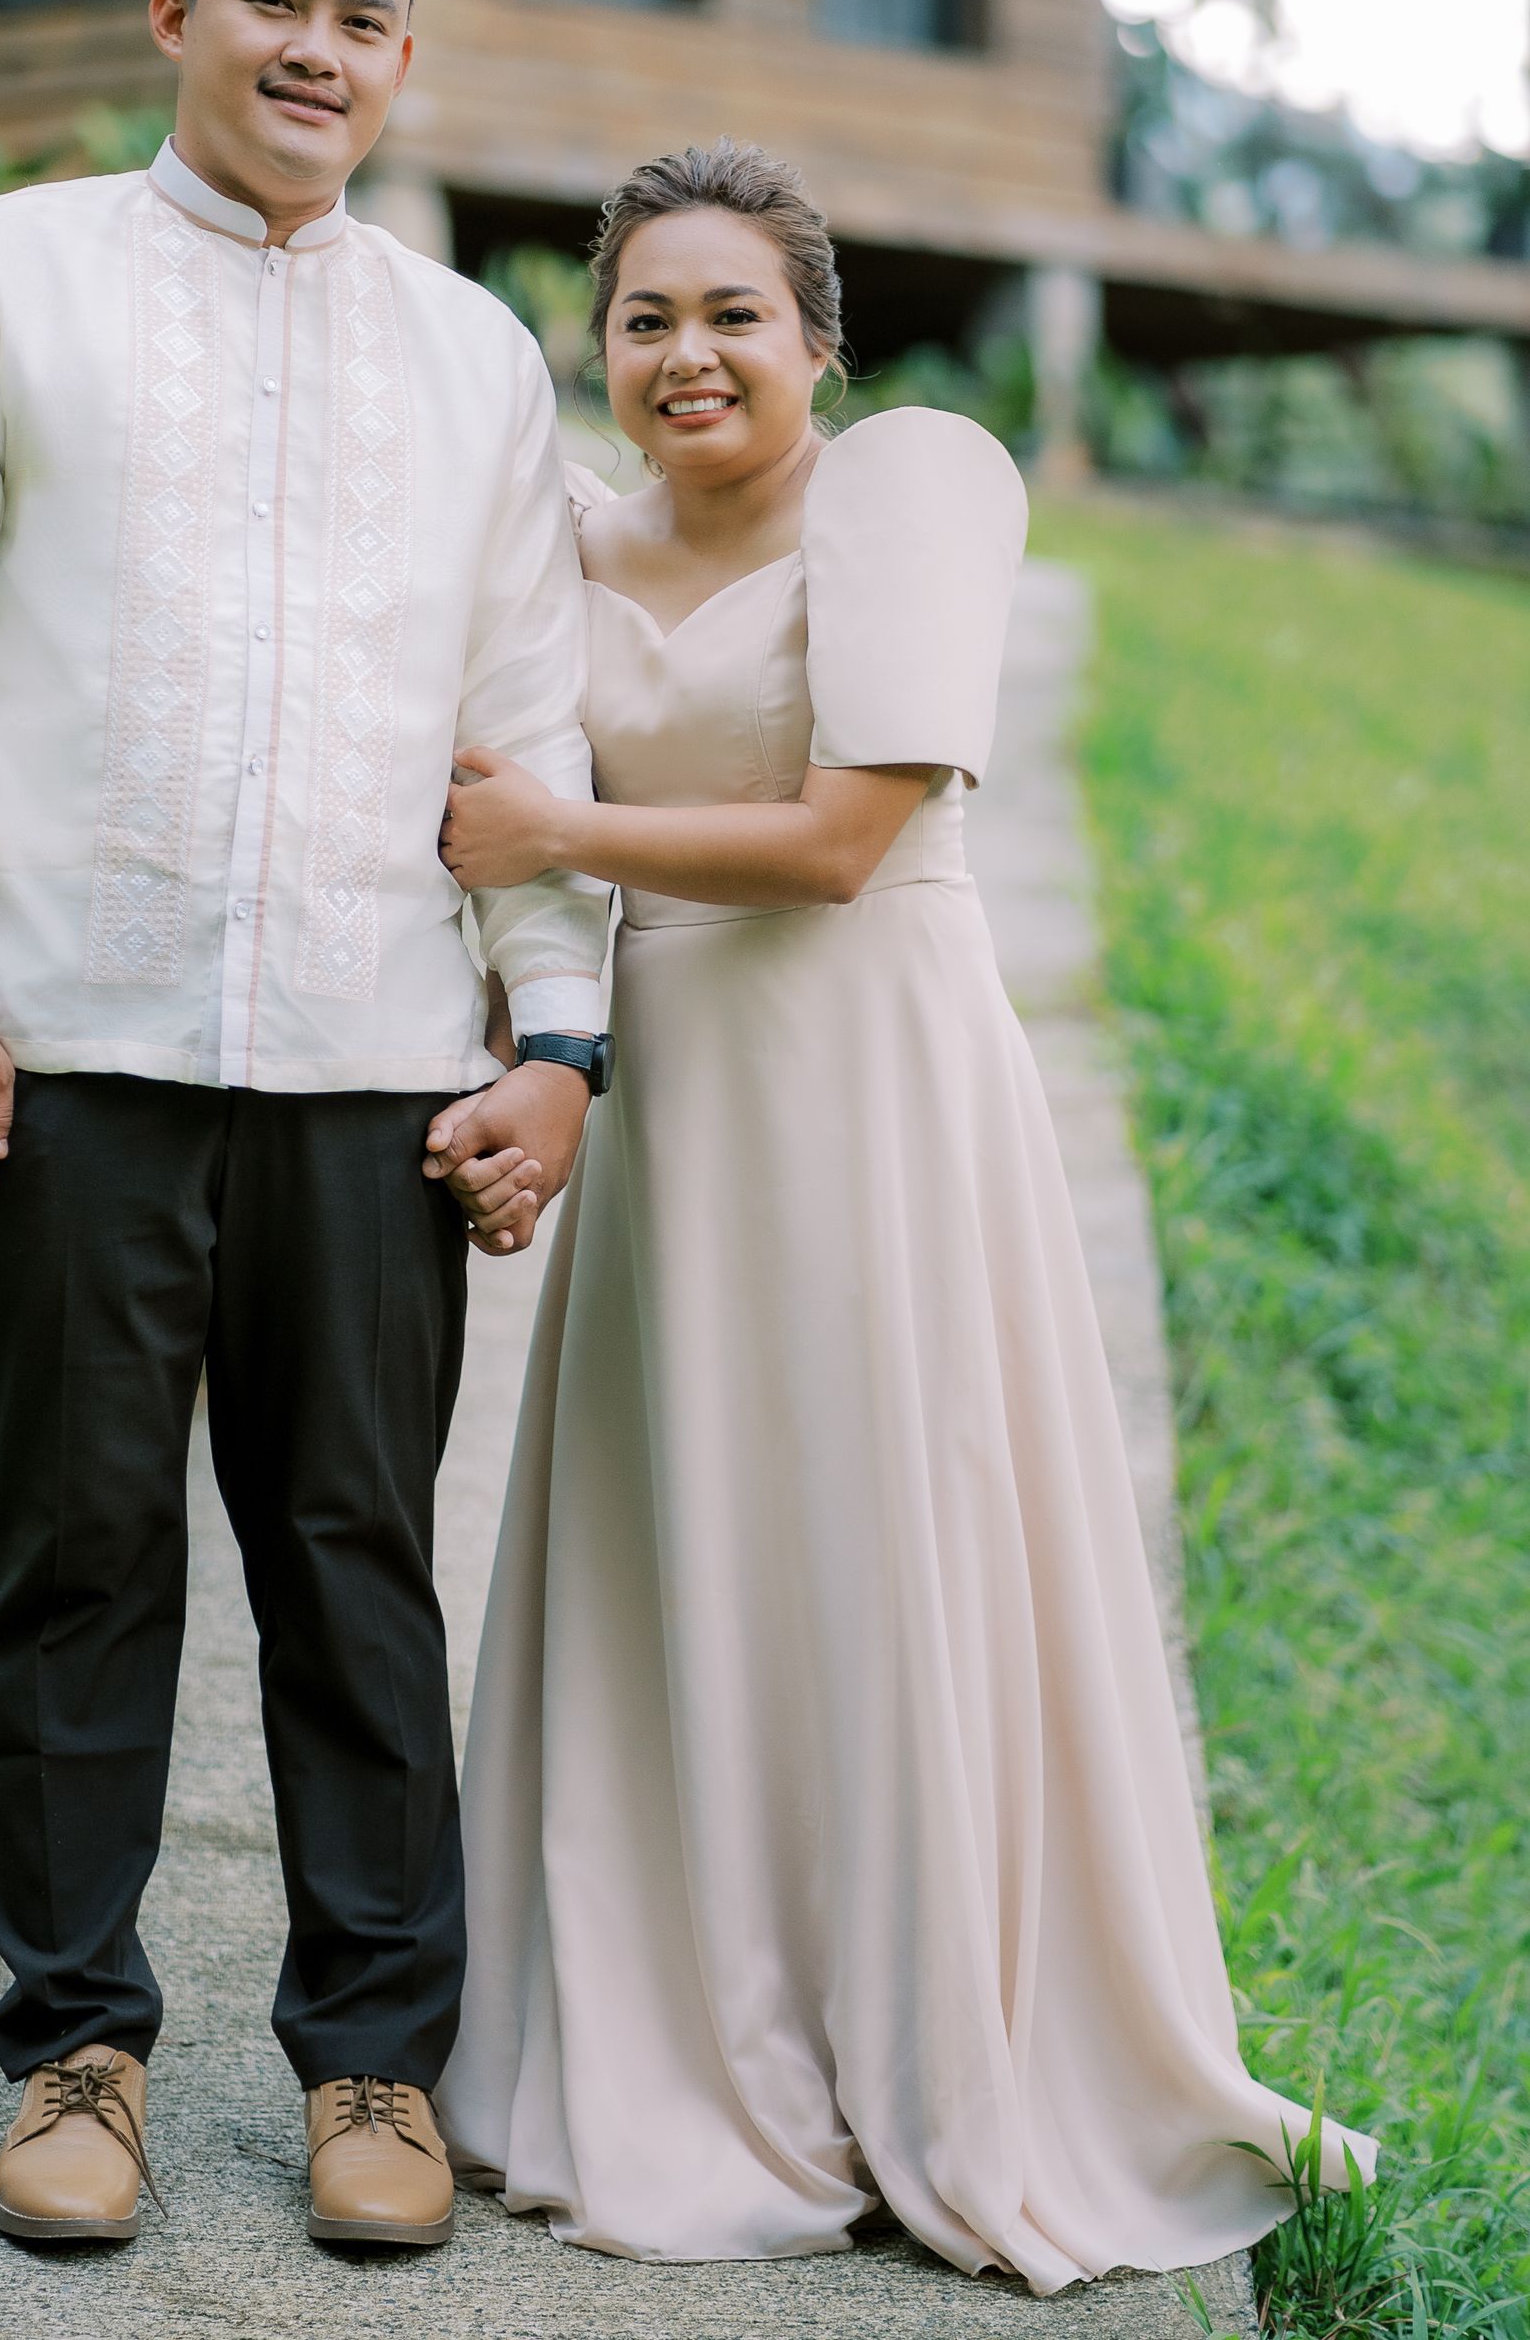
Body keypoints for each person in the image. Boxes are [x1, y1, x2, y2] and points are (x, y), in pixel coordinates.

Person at [429, 140, 1373, 2289]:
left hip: (872, 1085)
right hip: (683, 1112)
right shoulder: (565, 542)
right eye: (644, 318)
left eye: (732, 314)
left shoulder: (912, 489)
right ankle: (697, 2020)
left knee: (884, 1523)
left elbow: (848, 835)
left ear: (820, 344)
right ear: (602, 350)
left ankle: (934, 2042)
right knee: (699, 1534)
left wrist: (554, 827)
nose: (687, 354)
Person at [0, 0, 613, 2254]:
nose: (317, 53)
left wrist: (560, 1034)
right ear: (177, 16)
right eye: (275, 1)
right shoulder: (4, 276)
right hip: (63, 1047)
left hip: (377, 1067)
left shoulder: (469, 354)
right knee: (68, 1562)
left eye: (364, 22)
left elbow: (527, 713)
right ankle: (74, 2043)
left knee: (358, 1569)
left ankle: (375, 2064)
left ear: (403, 59)